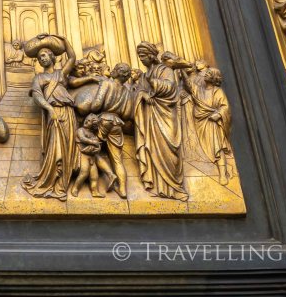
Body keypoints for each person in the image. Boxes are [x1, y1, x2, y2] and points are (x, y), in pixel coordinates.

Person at [22, 34, 78, 200]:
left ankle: (63, 186)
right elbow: (38, 96)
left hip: (67, 113)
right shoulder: (39, 78)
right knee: (56, 148)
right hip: (53, 114)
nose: (42, 59)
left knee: (68, 148)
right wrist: (49, 109)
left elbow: (72, 57)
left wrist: (63, 39)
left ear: (53, 57)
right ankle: (54, 183)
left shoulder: (61, 74)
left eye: (44, 55)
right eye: (39, 58)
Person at [134, 42, 187, 200]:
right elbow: (139, 92)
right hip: (150, 117)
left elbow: (171, 88)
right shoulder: (144, 75)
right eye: (139, 57)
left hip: (165, 114)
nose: (141, 59)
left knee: (169, 150)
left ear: (151, 55)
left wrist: (153, 83)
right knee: (152, 149)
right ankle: (160, 187)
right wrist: (142, 95)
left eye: (143, 56)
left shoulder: (165, 69)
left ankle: (176, 188)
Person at [187, 66, 232, 183]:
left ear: (213, 78)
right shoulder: (199, 89)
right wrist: (179, 67)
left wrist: (218, 114)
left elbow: (225, 106)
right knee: (204, 147)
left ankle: (222, 174)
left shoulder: (217, 91)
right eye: (206, 73)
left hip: (213, 123)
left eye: (209, 73)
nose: (206, 74)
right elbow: (189, 85)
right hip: (200, 122)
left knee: (217, 147)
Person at [72, 112, 125, 198]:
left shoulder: (93, 134)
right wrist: (93, 142)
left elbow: (98, 146)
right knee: (84, 173)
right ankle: (75, 188)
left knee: (94, 176)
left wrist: (97, 148)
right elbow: (82, 138)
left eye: (89, 121)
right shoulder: (80, 130)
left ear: (93, 125)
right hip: (84, 156)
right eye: (86, 120)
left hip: (92, 156)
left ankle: (95, 191)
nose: (86, 121)